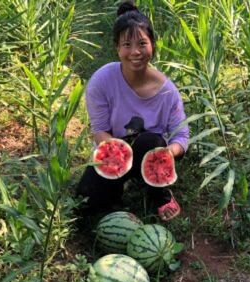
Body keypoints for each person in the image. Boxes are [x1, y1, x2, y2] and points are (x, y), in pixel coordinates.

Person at [76, 0, 189, 221]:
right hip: (113, 150)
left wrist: (168, 153)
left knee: (152, 142)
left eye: (142, 43)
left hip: (149, 153)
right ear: (117, 48)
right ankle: (116, 197)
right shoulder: (101, 81)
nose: (135, 52)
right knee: (84, 205)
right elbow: (99, 129)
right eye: (127, 45)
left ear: (153, 46)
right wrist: (114, 151)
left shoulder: (167, 91)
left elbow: (182, 135)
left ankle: (160, 195)